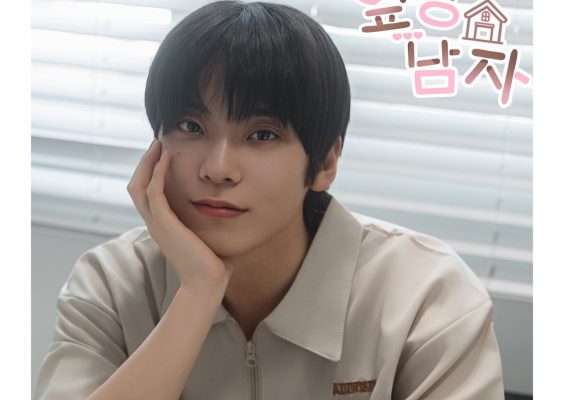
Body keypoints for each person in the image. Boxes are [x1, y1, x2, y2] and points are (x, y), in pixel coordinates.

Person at [34, 1, 505, 399]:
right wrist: (198, 292)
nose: (218, 168)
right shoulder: (111, 283)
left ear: (325, 162)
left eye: (262, 134)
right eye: (190, 127)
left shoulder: (427, 295)